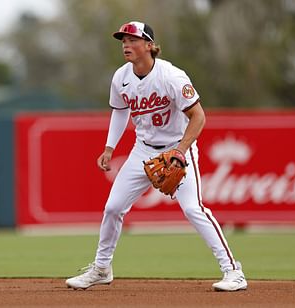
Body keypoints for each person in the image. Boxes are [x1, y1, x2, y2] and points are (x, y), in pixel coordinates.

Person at [65, 21, 247, 292]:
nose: (126, 45)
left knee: (193, 209)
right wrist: (109, 148)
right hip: (143, 150)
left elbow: (198, 117)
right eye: (123, 41)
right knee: (113, 208)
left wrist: (180, 151)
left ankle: (233, 272)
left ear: (150, 45)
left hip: (177, 147)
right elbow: (120, 110)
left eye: (132, 40)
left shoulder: (171, 76)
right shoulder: (121, 77)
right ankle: (102, 269)